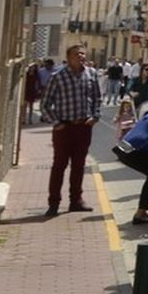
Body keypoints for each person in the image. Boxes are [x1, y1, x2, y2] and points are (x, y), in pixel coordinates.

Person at [40, 44, 101, 216]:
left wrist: (95, 116)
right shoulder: (57, 76)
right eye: (77, 54)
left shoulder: (92, 74)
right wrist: (55, 122)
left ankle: (76, 201)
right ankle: (53, 203)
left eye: (83, 53)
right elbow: (45, 104)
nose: (81, 56)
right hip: (64, 128)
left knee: (79, 165)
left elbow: (97, 97)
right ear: (68, 57)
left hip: (84, 127)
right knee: (59, 165)